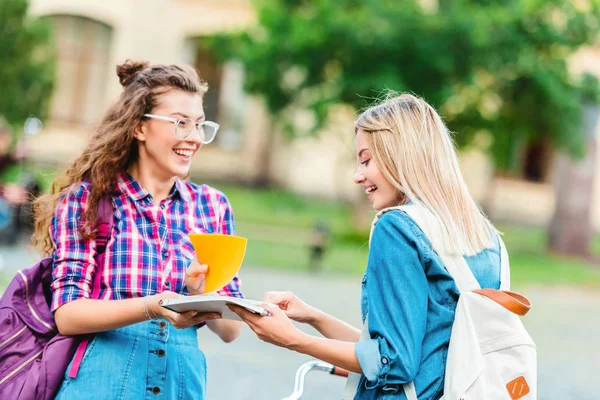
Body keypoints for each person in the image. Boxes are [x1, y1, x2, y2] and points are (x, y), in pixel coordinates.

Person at [229, 93, 503, 399]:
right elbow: (407, 349)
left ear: (399, 156)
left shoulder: (397, 227)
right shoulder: (486, 238)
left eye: (366, 160)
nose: (358, 176)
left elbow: (394, 362)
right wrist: (313, 317)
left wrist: (295, 339)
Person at [32, 60, 243, 399]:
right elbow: (68, 315)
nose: (194, 138)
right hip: (100, 385)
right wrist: (154, 305)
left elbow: (231, 329)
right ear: (139, 127)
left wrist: (201, 292)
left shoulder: (212, 206)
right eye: (181, 123)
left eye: (201, 125)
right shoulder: (88, 200)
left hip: (181, 387)